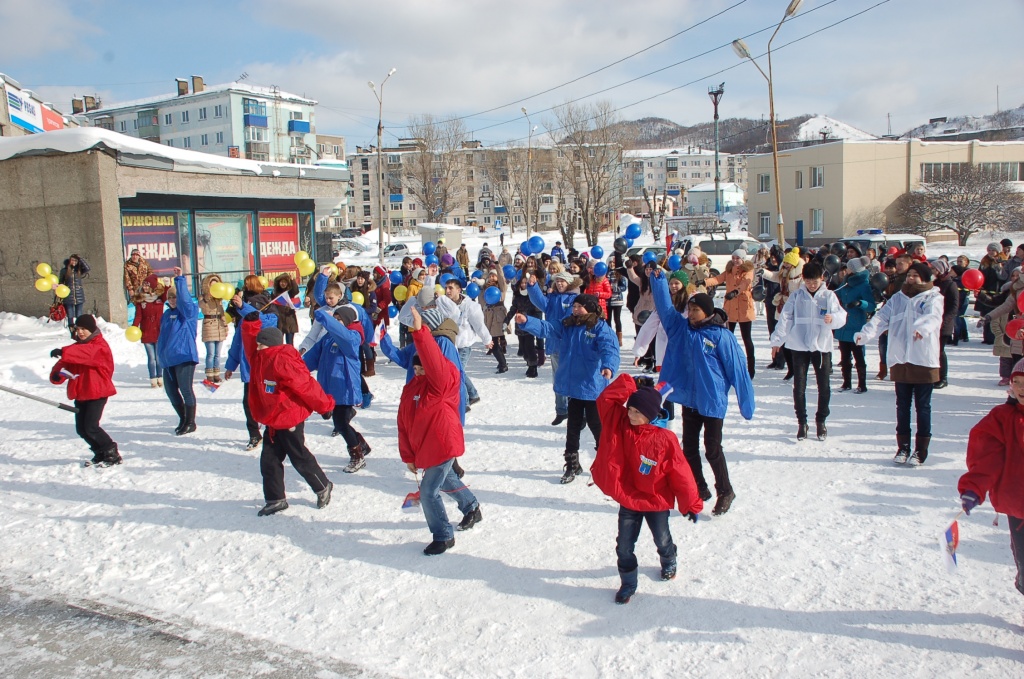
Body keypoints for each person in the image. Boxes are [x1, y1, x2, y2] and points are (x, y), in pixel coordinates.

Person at [590, 374, 703, 604]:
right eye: (630, 409)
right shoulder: (619, 424)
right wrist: (630, 383)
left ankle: (669, 557)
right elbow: (605, 399)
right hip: (629, 498)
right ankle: (628, 583)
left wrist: (690, 504)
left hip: (655, 500)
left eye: (637, 412)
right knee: (623, 546)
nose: (631, 415)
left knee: (661, 539)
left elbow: (681, 474)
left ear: (650, 415)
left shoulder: (665, 439)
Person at [650, 274, 754, 515]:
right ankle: (699, 485)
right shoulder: (681, 329)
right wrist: (657, 281)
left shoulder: (721, 336)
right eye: (690, 309)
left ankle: (725, 490)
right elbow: (666, 309)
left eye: (696, 310)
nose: (691, 313)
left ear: (706, 312)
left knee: (712, 448)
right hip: (689, 399)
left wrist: (745, 403)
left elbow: (738, 370)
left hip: (712, 400)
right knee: (688, 448)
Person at [399, 306, 481, 555]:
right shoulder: (412, 389)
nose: (418, 372)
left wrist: (420, 332)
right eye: (415, 369)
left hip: (443, 444)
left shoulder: (442, 383)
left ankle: (443, 535)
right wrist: (409, 457)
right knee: (446, 481)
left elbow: (434, 362)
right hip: (424, 448)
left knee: (428, 491)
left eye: (422, 368)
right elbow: (404, 424)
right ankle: (471, 507)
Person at [516, 294, 620, 484]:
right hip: (574, 387)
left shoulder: (599, 327)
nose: (575, 309)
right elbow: (548, 328)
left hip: (592, 387)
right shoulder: (568, 324)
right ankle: (572, 464)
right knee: (572, 428)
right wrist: (527, 321)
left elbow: (610, 349)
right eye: (574, 306)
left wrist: (608, 366)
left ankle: (606, 464)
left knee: (598, 428)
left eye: (580, 306)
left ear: (590, 308)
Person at [239, 319, 335, 517]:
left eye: (261, 344)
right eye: (257, 344)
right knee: (269, 460)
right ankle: (275, 499)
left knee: (299, 457)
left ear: (272, 345)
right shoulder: (259, 357)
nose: (257, 347)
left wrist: (325, 406)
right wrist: (250, 323)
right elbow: (249, 342)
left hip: (289, 417)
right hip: (274, 419)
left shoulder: (282, 360)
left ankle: (323, 486)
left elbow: (305, 386)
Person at [855, 262, 943, 465]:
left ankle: (921, 450)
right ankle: (903, 447)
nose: (911, 279)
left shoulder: (933, 298)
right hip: (900, 359)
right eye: (909, 275)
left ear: (926, 278)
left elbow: (934, 317)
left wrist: (922, 328)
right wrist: (866, 334)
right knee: (902, 406)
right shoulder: (897, 299)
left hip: (923, 359)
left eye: (916, 276)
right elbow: (880, 319)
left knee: (923, 407)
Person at [958, 357, 1024, 599]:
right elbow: (987, 459)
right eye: (1018, 382)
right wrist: (974, 488)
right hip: (1019, 508)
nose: (1022, 389)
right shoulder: (1001, 418)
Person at [770, 261, 847, 441]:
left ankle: (821, 421)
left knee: (824, 386)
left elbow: (841, 315)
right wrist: (777, 341)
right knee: (799, 387)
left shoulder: (828, 296)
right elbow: (786, 319)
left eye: (815, 281)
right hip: (799, 345)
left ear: (822, 278)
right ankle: (802, 422)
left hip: (821, 346)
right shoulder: (797, 296)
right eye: (809, 281)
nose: (812, 285)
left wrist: (833, 319)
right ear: (804, 280)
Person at [304, 306, 372, 473]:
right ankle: (361, 444)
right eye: (334, 318)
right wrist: (296, 368)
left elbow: (344, 336)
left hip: (344, 389)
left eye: (339, 319)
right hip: (329, 388)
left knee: (340, 424)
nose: (336, 322)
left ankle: (357, 455)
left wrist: (324, 317)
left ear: (347, 321)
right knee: (338, 421)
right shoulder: (328, 338)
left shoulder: (353, 337)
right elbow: (312, 358)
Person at [48, 314, 120, 467]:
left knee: (91, 427)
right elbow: (65, 364)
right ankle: (99, 453)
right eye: (78, 329)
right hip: (81, 393)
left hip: (97, 392)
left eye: (84, 329)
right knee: (81, 429)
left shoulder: (99, 346)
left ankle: (111, 453)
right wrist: (57, 374)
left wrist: (63, 351)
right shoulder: (76, 348)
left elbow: (88, 353)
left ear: (92, 329)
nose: (80, 332)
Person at [224, 293, 279, 451]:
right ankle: (254, 434)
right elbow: (236, 345)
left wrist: (243, 307)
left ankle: (274, 432)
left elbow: (259, 320)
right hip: (249, 372)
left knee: (269, 402)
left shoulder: (270, 319)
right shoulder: (244, 322)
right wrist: (230, 366)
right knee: (248, 403)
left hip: (266, 372)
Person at [528, 271, 581, 425]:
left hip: (569, 345)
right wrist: (533, 287)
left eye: (562, 281)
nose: (559, 283)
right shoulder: (552, 298)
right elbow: (540, 302)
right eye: (557, 281)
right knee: (558, 379)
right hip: (554, 344)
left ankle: (577, 412)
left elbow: (569, 318)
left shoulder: (575, 299)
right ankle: (561, 410)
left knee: (572, 379)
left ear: (569, 282)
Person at [157, 268, 199, 436]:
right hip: (168, 360)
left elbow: (187, 303)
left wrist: (179, 280)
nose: (173, 300)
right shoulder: (167, 314)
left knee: (185, 389)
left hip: (184, 357)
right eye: (170, 297)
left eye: (175, 297)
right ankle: (183, 419)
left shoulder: (188, 313)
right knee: (171, 391)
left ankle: (191, 422)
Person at [705, 249, 756, 378]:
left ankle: (751, 368)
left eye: (737, 258)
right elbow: (718, 279)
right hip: (731, 309)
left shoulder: (748, 271)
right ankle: (727, 365)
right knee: (727, 338)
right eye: (733, 258)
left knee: (747, 338)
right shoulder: (729, 270)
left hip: (744, 308)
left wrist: (735, 292)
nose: (735, 260)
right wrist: (705, 282)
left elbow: (745, 283)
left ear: (743, 259)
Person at [447, 277, 492, 406]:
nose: (448, 291)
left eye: (451, 288)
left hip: (464, 345)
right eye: (446, 288)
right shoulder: (445, 304)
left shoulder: (470, 306)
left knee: (457, 372)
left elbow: (479, 325)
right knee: (458, 371)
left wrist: (487, 339)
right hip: (451, 345)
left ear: (459, 290)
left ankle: (465, 402)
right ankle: (473, 394)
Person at [833, 256, 876, 393]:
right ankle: (846, 383)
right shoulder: (845, 282)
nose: (846, 270)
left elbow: (871, 306)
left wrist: (860, 303)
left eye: (849, 268)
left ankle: (862, 384)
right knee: (844, 357)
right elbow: (836, 295)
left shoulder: (864, 285)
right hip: (843, 324)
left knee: (858, 356)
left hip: (856, 325)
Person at [132, 274, 167, 387]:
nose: (145, 287)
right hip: (146, 332)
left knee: (158, 357)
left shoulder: (159, 298)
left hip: (158, 331)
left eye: (147, 285)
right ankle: (153, 378)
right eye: (144, 285)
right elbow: (138, 316)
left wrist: (167, 286)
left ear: (152, 286)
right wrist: (134, 327)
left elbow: (166, 296)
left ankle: (160, 377)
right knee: (151, 358)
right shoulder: (141, 301)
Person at [930, 258, 959, 389]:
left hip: (943, 324)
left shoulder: (950, 285)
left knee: (940, 351)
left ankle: (943, 377)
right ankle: (933, 376)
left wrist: (943, 321)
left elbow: (953, 307)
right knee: (932, 351)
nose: (932, 271)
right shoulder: (934, 283)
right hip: (932, 323)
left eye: (934, 269)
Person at [198, 274, 229, 384]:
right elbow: (201, 306)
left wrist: (225, 326)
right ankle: (209, 375)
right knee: (210, 353)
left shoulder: (219, 300)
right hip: (209, 326)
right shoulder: (203, 298)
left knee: (218, 354)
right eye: (212, 285)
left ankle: (216, 374)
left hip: (219, 326)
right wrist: (207, 296)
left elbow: (222, 313)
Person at [58, 254, 90, 331]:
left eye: (75, 260)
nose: (74, 262)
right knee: (70, 314)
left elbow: (87, 268)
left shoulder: (79, 270)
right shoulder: (64, 270)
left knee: (79, 314)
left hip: (79, 295)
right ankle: (71, 330)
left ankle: (78, 329)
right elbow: (61, 282)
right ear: (69, 261)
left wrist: (80, 258)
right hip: (68, 295)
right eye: (72, 260)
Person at [270, 274, 300, 345]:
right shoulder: (275, 292)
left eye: (285, 282)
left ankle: (289, 355)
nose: (283, 284)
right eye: (281, 282)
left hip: (290, 319)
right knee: (278, 343)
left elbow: (295, 290)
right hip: (279, 320)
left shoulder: (290, 292)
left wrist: (292, 280)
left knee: (289, 343)